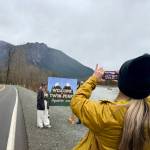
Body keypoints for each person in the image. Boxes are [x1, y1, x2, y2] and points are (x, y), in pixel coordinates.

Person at [70, 54, 150, 150]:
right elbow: (142, 88)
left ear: (121, 82)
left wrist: (94, 78)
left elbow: (76, 101)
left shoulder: (105, 113)